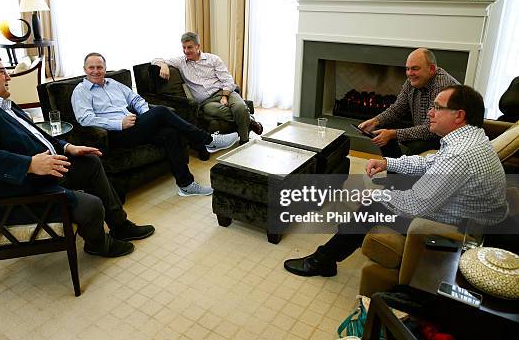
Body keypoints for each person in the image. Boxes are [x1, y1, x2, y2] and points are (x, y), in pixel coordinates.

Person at [0, 51, 154, 258]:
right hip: (12, 194)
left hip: (38, 174)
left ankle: (120, 225)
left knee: (90, 162)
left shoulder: (0, 104)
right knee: (90, 205)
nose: (8, 76)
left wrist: (67, 147)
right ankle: (98, 245)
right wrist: (29, 164)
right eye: (2, 71)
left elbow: (36, 135)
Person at [284, 85, 508, 277]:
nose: (430, 112)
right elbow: (428, 163)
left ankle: (322, 261)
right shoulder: (470, 138)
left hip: (459, 230)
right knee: (382, 195)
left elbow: (416, 204)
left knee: (373, 205)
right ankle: (340, 243)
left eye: (437, 107)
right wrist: (388, 163)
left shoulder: (459, 153)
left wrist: (376, 195)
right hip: (468, 214)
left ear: (459, 115)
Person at [71, 52, 239, 197]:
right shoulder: (81, 91)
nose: (95, 71)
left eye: (99, 67)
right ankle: (207, 140)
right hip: (115, 134)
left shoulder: (113, 84)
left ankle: (186, 185)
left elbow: (135, 99)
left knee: (169, 134)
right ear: (84, 69)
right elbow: (85, 119)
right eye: (91, 67)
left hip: (135, 125)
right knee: (161, 111)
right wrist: (118, 123)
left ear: (105, 68)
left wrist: (146, 115)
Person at [152, 32, 263, 145]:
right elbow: (155, 60)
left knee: (240, 108)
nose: (186, 51)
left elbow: (228, 80)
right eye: (184, 47)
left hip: (225, 92)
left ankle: (244, 140)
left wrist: (225, 96)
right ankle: (249, 121)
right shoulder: (181, 62)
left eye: (189, 47)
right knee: (220, 110)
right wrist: (164, 65)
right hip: (206, 102)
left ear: (198, 46)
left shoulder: (213, 59)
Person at [359, 48, 459, 158]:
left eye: (415, 69)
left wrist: (393, 134)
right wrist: (374, 121)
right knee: (383, 126)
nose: (409, 73)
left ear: (431, 69)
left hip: (441, 135)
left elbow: (430, 129)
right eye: (407, 69)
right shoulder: (411, 81)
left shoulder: (442, 86)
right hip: (425, 128)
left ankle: (404, 171)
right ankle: (393, 171)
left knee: (416, 146)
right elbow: (397, 109)